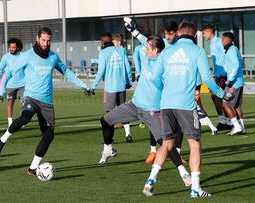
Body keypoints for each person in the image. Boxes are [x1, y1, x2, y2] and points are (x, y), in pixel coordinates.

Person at [141, 21, 226, 198]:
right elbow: (207, 79)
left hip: (166, 104)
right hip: (185, 105)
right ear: (194, 35)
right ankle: (195, 189)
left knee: (167, 143)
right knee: (194, 143)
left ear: (178, 33)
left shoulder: (167, 51)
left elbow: (155, 76)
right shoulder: (198, 51)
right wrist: (222, 93)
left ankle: (151, 179)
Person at [0, 27, 91, 175]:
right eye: (43, 40)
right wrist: (0, 89)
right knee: (25, 118)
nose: (46, 43)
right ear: (38, 39)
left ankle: (33, 168)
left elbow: (66, 72)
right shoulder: (27, 55)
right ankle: (2, 141)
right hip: (31, 97)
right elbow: (9, 71)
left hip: (47, 102)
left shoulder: (53, 57)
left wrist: (83, 85)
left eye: (49, 40)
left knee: (49, 135)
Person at [97, 32, 192, 187]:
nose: (144, 50)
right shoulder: (147, 57)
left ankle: (184, 173)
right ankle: (108, 149)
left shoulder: (164, 64)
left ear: (155, 50)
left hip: (151, 112)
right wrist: (134, 31)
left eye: (148, 48)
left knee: (166, 144)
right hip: (134, 105)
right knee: (105, 120)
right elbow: (144, 41)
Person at [124, 18, 186, 164]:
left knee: (177, 125)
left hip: (175, 89)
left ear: (177, 33)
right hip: (160, 92)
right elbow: (146, 41)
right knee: (157, 122)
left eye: (171, 34)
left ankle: (176, 152)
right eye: (166, 34)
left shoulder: (182, 47)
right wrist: (134, 31)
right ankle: (153, 151)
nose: (168, 37)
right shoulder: (163, 46)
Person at [91, 32, 133, 143]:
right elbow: (127, 67)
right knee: (124, 110)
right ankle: (128, 134)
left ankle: (111, 138)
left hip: (111, 88)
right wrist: (128, 81)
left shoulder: (103, 52)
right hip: (121, 86)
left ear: (103, 41)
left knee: (109, 113)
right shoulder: (121, 50)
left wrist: (93, 86)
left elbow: (100, 72)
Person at [202, 24, 232, 130]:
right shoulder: (212, 43)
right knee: (216, 97)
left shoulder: (219, 41)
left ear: (209, 32)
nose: (204, 35)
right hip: (217, 75)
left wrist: (226, 70)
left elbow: (228, 53)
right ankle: (224, 121)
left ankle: (227, 121)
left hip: (223, 75)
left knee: (217, 96)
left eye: (204, 33)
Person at [0, 38, 25, 127]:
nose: (12, 49)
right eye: (10, 47)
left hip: (23, 84)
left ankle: (21, 121)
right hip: (10, 85)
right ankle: (10, 122)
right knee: (10, 102)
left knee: (24, 103)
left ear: (18, 48)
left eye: (14, 47)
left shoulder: (23, 56)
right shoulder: (6, 57)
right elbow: (0, 69)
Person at [221, 32, 246, 135]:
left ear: (228, 40)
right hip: (238, 82)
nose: (222, 41)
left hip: (234, 83)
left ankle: (236, 126)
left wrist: (230, 79)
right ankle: (242, 128)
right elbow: (241, 64)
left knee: (225, 102)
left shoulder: (231, 50)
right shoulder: (234, 49)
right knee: (236, 106)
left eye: (223, 39)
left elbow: (236, 65)